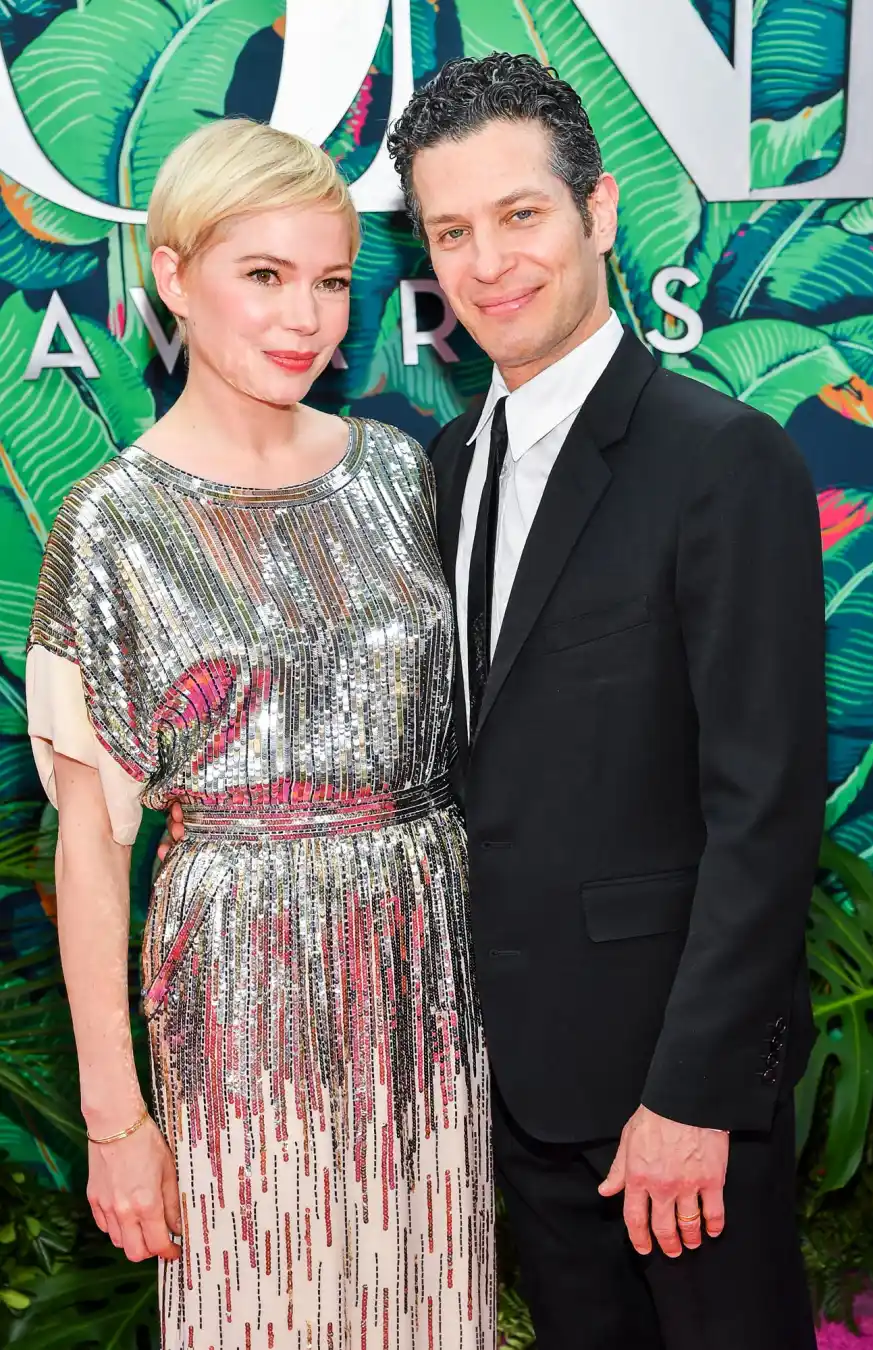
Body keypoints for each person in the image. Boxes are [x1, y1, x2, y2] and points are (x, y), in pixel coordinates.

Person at [26, 117, 494, 1349]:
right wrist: (118, 1119)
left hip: (427, 981)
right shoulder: (113, 525)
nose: (307, 319)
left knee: (428, 1303)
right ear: (173, 276)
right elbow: (87, 849)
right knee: (265, 1305)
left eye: (332, 281)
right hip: (237, 994)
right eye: (265, 276)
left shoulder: (402, 475)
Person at [384, 52, 826, 1350]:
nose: (488, 262)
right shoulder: (447, 468)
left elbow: (765, 806)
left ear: (600, 212)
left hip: (672, 1105)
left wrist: (695, 1096)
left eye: (520, 214)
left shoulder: (721, 459)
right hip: (519, 1089)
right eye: (451, 231)